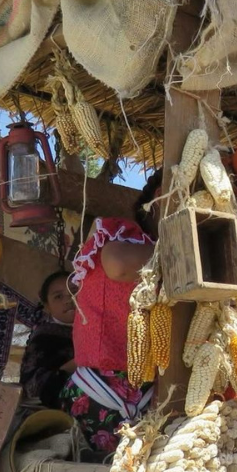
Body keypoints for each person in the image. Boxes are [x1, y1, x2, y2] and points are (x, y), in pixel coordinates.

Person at [58, 173, 160, 454]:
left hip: (143, 390)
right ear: (158, 200)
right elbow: (118, 266)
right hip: (101, 390)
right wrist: (180, 248)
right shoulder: (126, 235)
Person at [20, 271, 76, 410]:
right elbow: (32, 388)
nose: (69, 300)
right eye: (58, 296)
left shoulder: (102, 329)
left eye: (75, 291)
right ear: (47, 306)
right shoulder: (44, 339)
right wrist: (79, 364)